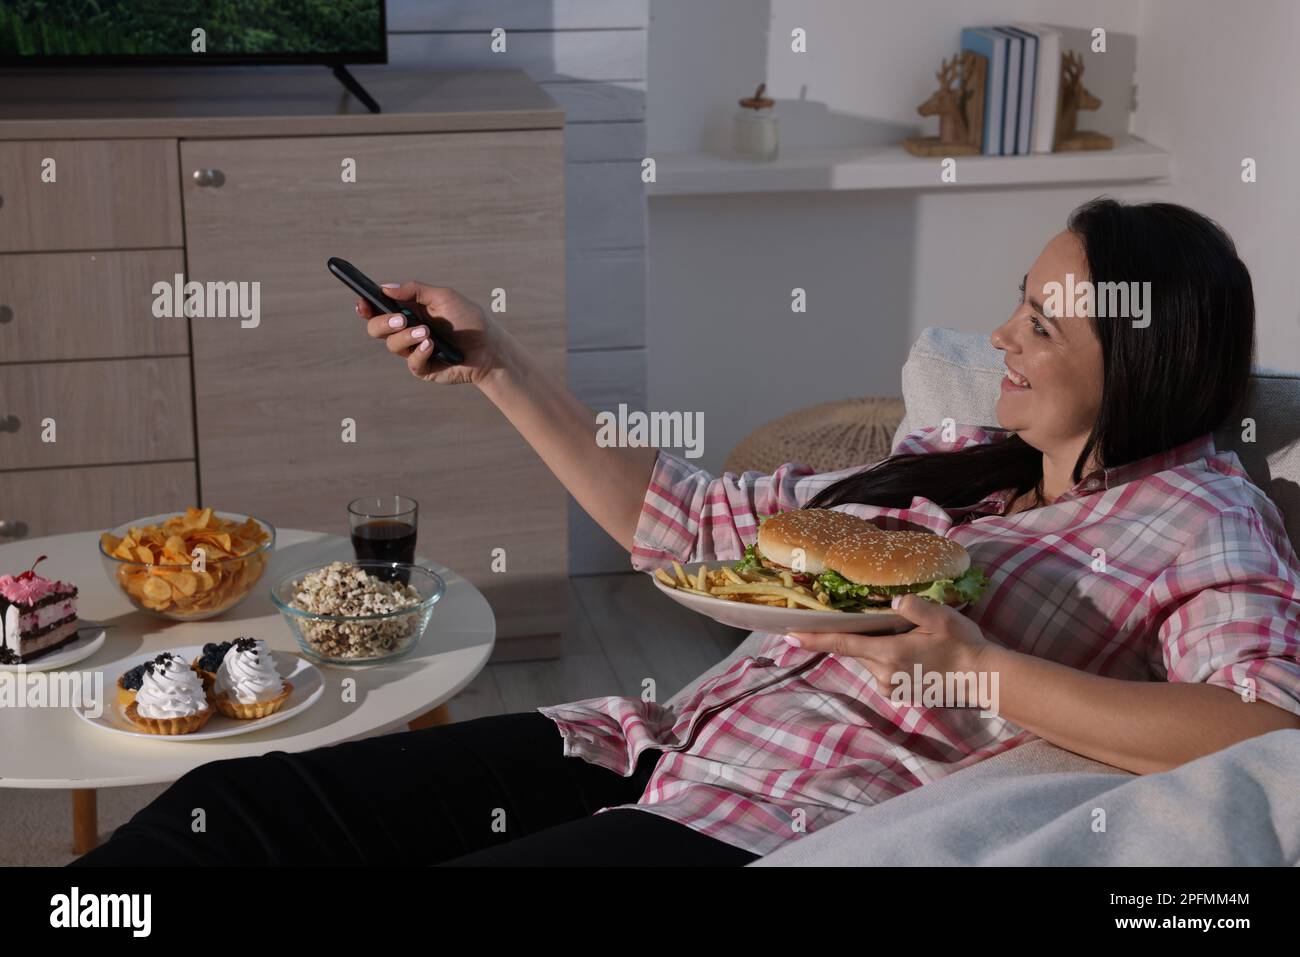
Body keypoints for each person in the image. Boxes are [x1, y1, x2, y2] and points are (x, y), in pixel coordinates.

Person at [73, 198, 1300, 867]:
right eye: (1016, 306)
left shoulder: (1206, 522)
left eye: (1042, 325)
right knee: (232, 816)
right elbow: (681, 523)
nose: (1003, 341)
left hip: (766, 817)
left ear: (1137, 358)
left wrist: (973, 670)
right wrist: (497, 364)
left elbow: (1260, 727)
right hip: (638, 737)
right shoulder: (959, 461)